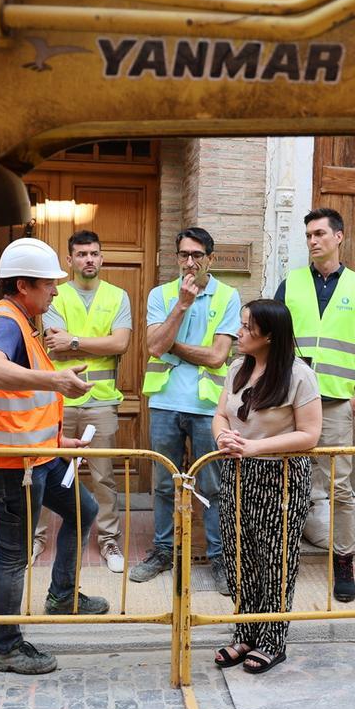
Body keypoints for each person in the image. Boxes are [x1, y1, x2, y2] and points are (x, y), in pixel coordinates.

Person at [0, 237, 109, 676]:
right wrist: (57, 382)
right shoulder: (5, 323)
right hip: (12, 467)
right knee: (13, 554)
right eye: (49, 284)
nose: (55, 291)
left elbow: (21, 403)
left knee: (84, 510)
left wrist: (57, 443)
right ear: (24, 285)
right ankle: (6, 646)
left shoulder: (24, 322)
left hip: (38, 457)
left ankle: (62, 596)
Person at [276, 207, 355, 603]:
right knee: (286, 480)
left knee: (339, 487)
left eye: (320, 233)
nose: (313, 240)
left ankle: (343, 563)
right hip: (291, 401)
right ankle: (282, 557)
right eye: (308, 235)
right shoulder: (291, 284)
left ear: (339, 236)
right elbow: (274, 341)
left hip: (337, 402)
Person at [212, 300, 322, 674]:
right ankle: (245, 632)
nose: (239, 333)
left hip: (282, 477)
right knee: (240, 557)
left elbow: (310, 435)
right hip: (237, 474)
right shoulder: (237, 370)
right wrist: (222, 438)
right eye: (240, 325)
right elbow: (220, 414)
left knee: (275, 560)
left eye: (247, 327)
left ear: (270, 335)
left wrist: (255, 447)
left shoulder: (298, 375)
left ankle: (273, 640)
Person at [131, 227, 241, 594]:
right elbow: (152, 347)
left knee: (213, 484)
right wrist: (181, 305)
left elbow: (217, 356)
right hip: (164, 402)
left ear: (210, 258)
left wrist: (171, 345)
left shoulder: (228, 295)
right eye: (183, 255)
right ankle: (163, 552)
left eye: (197, 255)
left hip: (210, 406)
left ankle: (220, 558)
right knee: (164, 483)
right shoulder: (162, 295)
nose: (189, 263)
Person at [32, 229, 132, 573]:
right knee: (45, 472)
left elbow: (120, 344)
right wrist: (93, 342)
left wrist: (73, 340)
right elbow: (52, 343)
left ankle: (108, 540)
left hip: (101, 402)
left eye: (94, 253)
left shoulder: (118, 296)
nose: (89, 259)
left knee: (103, 477)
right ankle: (38, 538)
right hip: (58, 401)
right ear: (70, 260)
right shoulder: (54, 296)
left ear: (101, 258)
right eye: (82, 254)